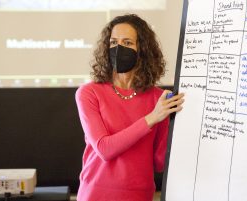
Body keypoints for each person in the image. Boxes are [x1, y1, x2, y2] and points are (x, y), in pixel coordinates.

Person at [75, 14, 184, 201]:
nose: (118, 49)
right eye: (113, 42)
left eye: (127, 43)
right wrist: (152, 118)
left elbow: (159, 163)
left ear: (142, 50)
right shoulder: (89, 93)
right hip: (95, 193)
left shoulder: (159, 99)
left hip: (139, 195)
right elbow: (104, 149)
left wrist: (176, 123)